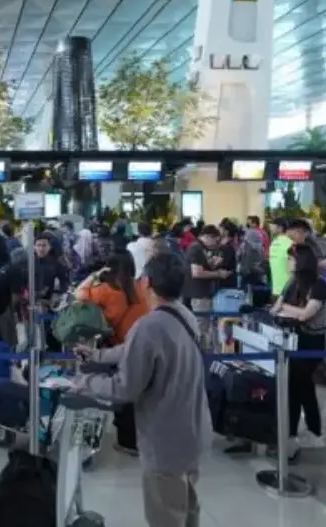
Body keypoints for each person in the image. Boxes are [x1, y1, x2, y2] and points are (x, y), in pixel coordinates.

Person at [73, 253, 209, 526]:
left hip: (165, 441)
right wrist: (98, 356)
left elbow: (124, 388)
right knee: (188, 507)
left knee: (166, 515)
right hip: (192, 432)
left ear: (147, 282)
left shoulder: (149, 326)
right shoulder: (184, 315)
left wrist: (83, 382)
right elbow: (135, 350)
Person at [74, 253, 150, 456]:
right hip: (142, 346)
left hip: (118, 348)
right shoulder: (142, 288)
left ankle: (127, 442)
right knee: (138, 394)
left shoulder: (106, 291)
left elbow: (79, 294)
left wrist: (94, 275)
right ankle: (138, 439)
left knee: (122, 392)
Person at [270, 244, 326, 449]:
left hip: (311, 341)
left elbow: (306, 314)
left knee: (300, 386)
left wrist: (284, 308)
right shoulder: (291, 283)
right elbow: (274, 310)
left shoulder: (320, 285)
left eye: (291, 259)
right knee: (300, 387)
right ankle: (305, 431)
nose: (287, 263)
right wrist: (284, 309)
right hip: (291, 340)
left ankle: (299, 432)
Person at [184, 225, 225, 332]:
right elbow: (197, 272)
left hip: (202, 293)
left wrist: (211, 264)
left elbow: (200, 267)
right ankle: (199, 348)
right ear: (208, 236)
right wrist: (218, 274)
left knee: (205, 325)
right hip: (199, 294)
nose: (216, 245)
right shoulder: (196, 248)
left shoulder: (199, 248)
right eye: (216, 241)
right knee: (201, 327)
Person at [268, 219, 293, 297]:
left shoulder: (290, 243)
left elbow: (293, 268)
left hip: (287, 290)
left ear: (280, 228)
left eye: (273, 226)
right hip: (275, 289)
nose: (270, 228)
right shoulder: (274, 242)